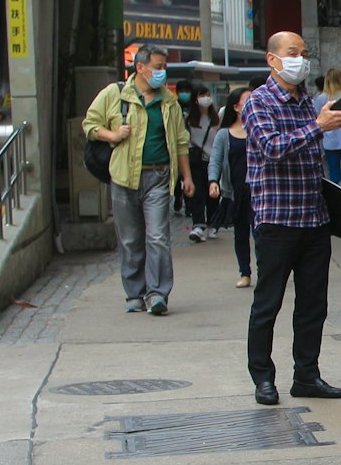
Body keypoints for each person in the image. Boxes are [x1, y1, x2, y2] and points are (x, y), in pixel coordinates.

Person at [243, 31, 341, 406]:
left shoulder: (307, 101)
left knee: (313, 305)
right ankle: (262, 377)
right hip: (276, 220)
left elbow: (310, 152)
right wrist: (317, 128)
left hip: (313, 218)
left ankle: (307, 374)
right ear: (272, 60)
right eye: (293, 53)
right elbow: (273, 148)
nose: (301, 60)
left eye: (305, 53)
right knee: (268, 303)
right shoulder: (258, 103)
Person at [81, 46, 194, 311]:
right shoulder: (115, 94)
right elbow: (90, 124)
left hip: (158, 175)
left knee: (157, 237)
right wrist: (112, 135)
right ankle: (134, 293)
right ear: (140, 67)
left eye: (164, 66)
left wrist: (186, 177)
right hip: (123, 177)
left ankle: (158, 294)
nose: (162, 72)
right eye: (157, 66)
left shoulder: (169, 101)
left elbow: (180, 141)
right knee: (131, 239)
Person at [208, 86, 255, 288]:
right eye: (248, 100)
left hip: (258, 189)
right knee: (241, 233)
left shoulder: (258, 129)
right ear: (236, 107)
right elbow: (216, 160)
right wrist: (213, 181)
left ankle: (269, 270)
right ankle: (245, 272)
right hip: (235, 190)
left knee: (262, 233)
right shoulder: (224, 135)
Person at [184, 92, 217, 242]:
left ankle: (213, 224)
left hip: (213, 161)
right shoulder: (189, 119)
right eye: (202, 95)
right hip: (196, 161)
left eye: (207, 95)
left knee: (213, 193)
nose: (206, 98)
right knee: (198, 193)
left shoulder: (216, 119)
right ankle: (198, 225)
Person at [318, 66, 341, 185]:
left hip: (329, 141)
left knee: (334, 172)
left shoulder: (321, 98)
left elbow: (317, 119)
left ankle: (337, 196)